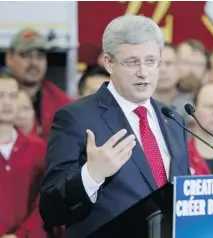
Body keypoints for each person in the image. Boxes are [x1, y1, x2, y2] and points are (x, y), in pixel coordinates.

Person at [39, 15, 190, 237]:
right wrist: (91, 175)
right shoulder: (75, 117)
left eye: (151, 61)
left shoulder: (174, 119)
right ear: (109, 63)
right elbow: (51, 210)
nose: (143, 72)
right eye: (132, 62)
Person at [0, 71, 46, 238]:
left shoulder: (38, 149)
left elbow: (44, 200)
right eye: (0, 95)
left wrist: (21, 234)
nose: (6, 102)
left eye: (12, 96)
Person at [5, 28, 71, 139]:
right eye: (26, 55)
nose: (34, 62)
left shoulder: (61, 102)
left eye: (40, 55)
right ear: (9, 58)